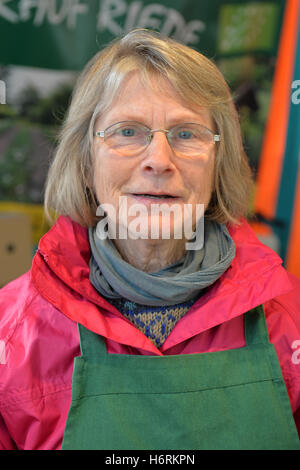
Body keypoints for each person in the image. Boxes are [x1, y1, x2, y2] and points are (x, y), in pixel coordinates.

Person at [0, 29, 300, 450]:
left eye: (186, 134)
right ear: (85, 162)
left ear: (218, 163)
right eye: (127, 132)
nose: (159, 160)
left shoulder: (288, 318)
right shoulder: (12, 333)